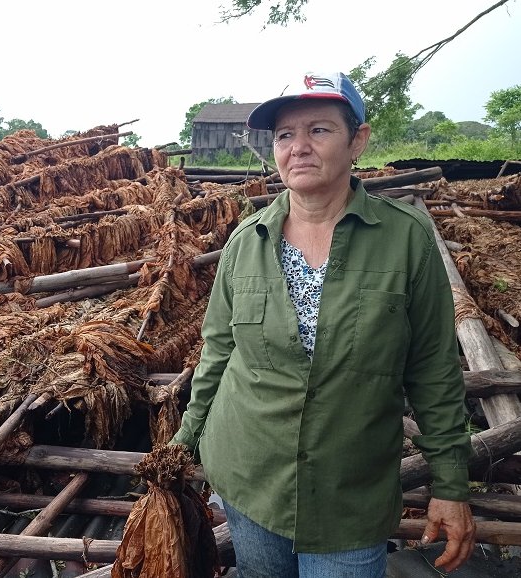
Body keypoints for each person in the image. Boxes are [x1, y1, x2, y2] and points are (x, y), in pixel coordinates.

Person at [171, 72, 476, 577]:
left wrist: (450, 483)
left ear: (358, 139)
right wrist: (181, 446)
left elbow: (433, 369)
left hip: (348, 491)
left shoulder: (405, 239)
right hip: (251, 476)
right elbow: (217, 354)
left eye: (320, 130)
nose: (300, 148)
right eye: (285, 135)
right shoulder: (246, 243)